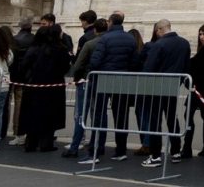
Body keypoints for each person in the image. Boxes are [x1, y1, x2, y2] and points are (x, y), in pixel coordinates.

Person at [90, 10, 141, 161]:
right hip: (122, 79)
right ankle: (121, 150)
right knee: (121, 116)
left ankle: (97, 148)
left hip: (105, 78)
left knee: (99, 114)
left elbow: (95, 60)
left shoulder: (105, 38)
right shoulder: (130, 39)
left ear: (111, 23)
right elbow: (134, 62)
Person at [139, 18, 191, 167]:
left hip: (156, 87)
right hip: (173, 86)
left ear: (160, 29)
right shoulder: (184, 43)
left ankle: (155, 155)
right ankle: (175, 151)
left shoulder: (159, 44)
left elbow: (149, 68)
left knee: (155, 121)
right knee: (171, 118)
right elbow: (186, 66)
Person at [19, 23, 70, 152]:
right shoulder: (61, 49)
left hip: (35, 85)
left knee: (33, 114)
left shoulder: (36, 48)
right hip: (54, 86)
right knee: (50, 115)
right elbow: (65, 68)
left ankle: (31, 143)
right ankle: (46, 143)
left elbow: (24, 65)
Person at [66, 17, 108, 158]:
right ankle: (99, 145)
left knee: (81, 115)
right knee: (100, 115)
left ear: (95, 29)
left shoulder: (90, 44)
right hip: (104, 82)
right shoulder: (109, 43)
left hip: (86, 81)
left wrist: (76, 77)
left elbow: (78, 65)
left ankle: (74, 146)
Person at [182, 23, 204, 160]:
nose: (201, 36)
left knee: (189, 117)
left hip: (200, 89)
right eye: (200, 34)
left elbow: (196, 64)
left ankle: (187, 148)